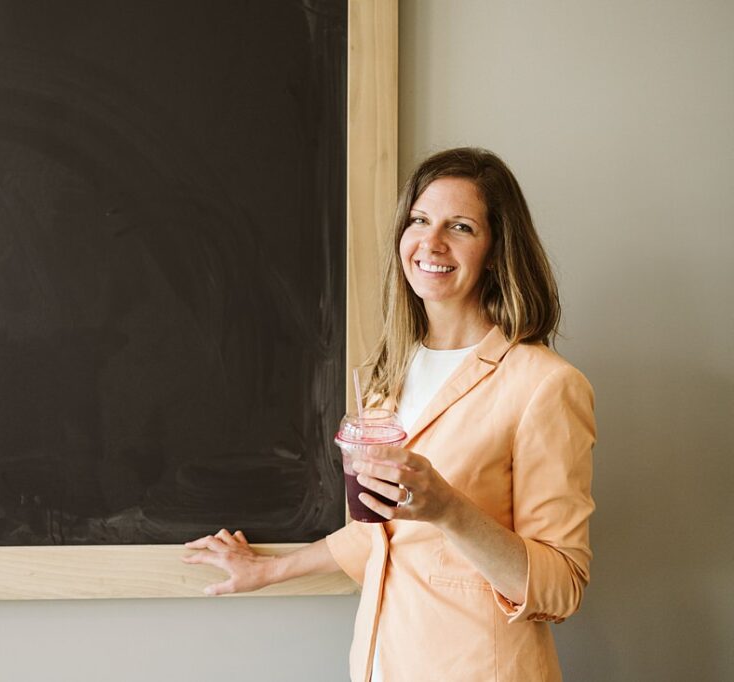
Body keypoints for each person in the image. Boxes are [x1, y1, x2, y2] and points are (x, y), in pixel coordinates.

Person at [182, 147, 595, 682]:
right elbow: (379, 533)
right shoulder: (387, 379)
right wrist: (267, 569)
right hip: (380, 662)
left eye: (462, 227)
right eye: (419, 220)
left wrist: (448, 508)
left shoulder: (545, 385)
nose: (432, 242)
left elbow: (561, 586)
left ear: (496, 250)